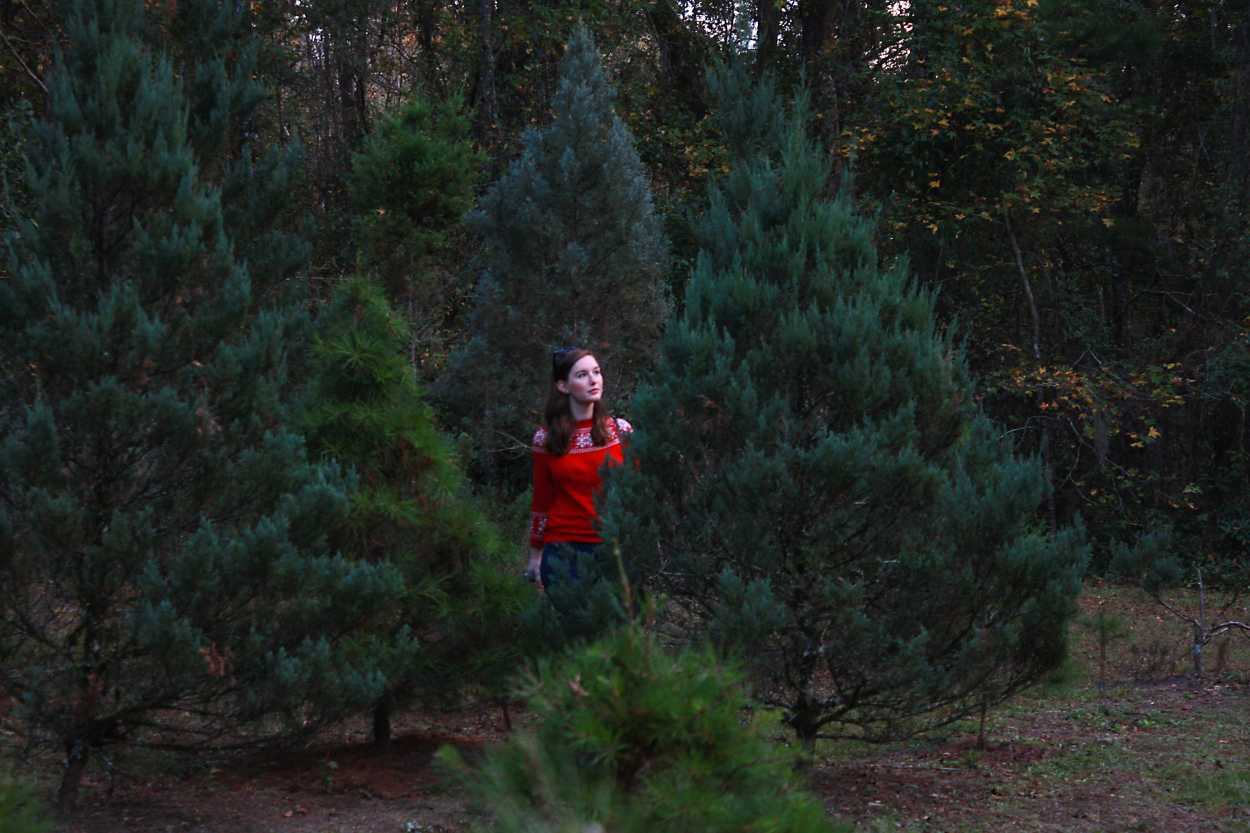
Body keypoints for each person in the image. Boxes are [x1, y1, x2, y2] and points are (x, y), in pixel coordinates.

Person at [526, 347, 631, 590]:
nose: (593, 379)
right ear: (563, 386)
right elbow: (542, 500)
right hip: (563, 552)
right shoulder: (546, 439)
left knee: (615, 627)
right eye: (582, 375)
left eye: (596, 372)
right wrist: (535, 555)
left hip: (612, 549)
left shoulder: (620, 431)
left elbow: (637, 491)